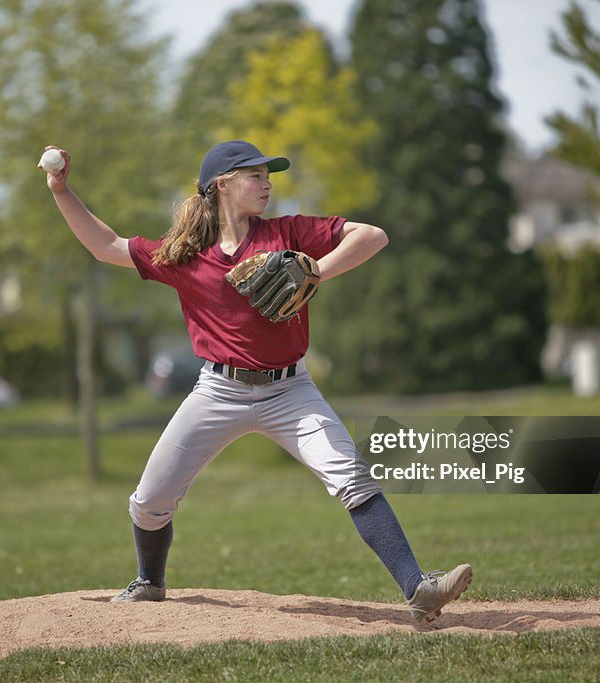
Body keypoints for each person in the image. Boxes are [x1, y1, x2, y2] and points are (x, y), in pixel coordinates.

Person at [41, 139, 472, 624]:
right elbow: (107, 246)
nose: (267, 184)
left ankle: (419, 589)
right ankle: (150, 581)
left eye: (269, 175)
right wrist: (61, 190)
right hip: (218, 391)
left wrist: (314, 272)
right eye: (255, 175)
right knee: (149, 501)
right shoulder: (186, 255)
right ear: (222, 185)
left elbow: (372, 235)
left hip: (291, 391)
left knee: (351, 476)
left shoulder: (287, 233)